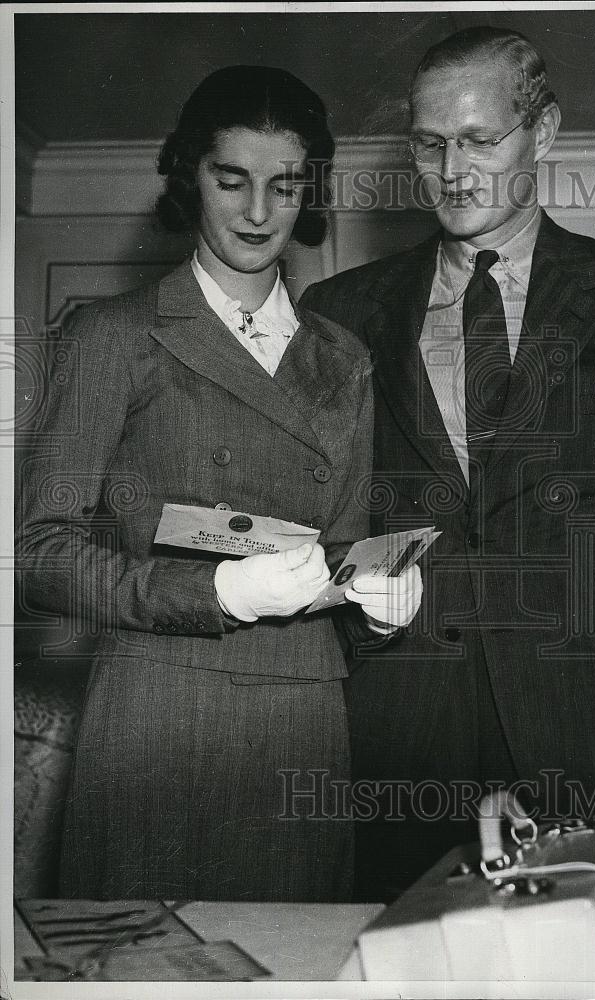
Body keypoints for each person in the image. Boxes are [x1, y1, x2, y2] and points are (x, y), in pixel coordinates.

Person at [301, 26, 595, 900]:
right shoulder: (340, 309)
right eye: (430, 145)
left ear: (541, 133)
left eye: (479, 138)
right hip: (399, 727)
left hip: (593, 717)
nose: (452, 169)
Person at [18, 65, 421, 902]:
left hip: (303, 718)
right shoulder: (115, 335)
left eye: (284, 186)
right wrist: (220, 592)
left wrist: (378, 601)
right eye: (231, 180)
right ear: (187, 178)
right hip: (160, 711)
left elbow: (338, 553)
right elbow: (37, 554)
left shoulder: (342, 359)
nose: (258, 212)